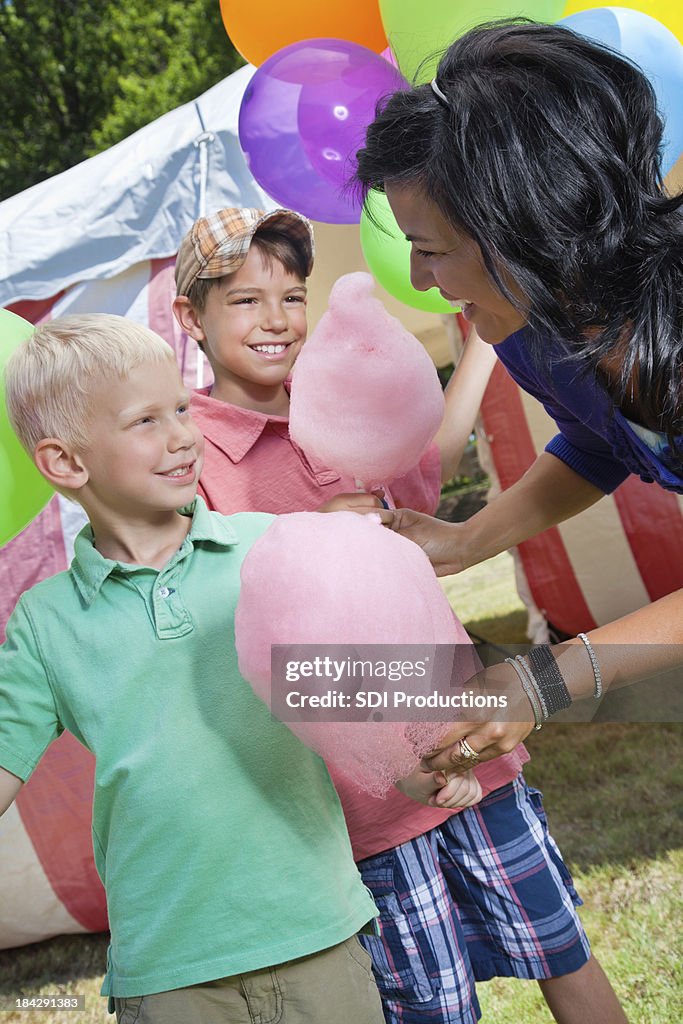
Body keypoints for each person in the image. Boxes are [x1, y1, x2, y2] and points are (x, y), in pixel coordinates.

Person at [172, 207, 626, 1024]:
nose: (275, 320)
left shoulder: (336, 397)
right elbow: (215, 611)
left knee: (561, 947)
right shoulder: (186, 453)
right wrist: (309, 536)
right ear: (190, 318)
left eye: (292, 295)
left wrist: (485, 340)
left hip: (469, 740)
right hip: (360, 798)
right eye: (243, 300)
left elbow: (427, 461)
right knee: (429, 1006)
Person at [0, 314, 395, 1024]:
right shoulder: (44, 622)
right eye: (146, 420)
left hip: (315, 933)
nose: (184, 434)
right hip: (171, 970)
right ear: (65, 463)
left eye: (181, 407)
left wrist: (431, 758)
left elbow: (360, 699)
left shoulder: (269, 547)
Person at [354, 18, 682, 821]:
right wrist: (466, 542)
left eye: (430, 248)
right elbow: (596, 446)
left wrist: (546, 679)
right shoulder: (534, 333)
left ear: (522, 229)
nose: (423, 282)